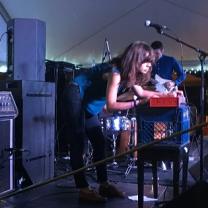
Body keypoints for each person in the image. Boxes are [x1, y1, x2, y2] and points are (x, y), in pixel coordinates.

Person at [62, 41, 170, 203]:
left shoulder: (130, 75)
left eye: (150, 63)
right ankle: (83, 189)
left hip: (87, 102)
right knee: (78, 142)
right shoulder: (116, 73)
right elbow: (111, 106)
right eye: (146, 62)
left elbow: (141, 92)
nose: (149, 66)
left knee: (98, 142)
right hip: (74, 92)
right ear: (136, 59)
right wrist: (136, 103)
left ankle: (104, 185)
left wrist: (166, 96)